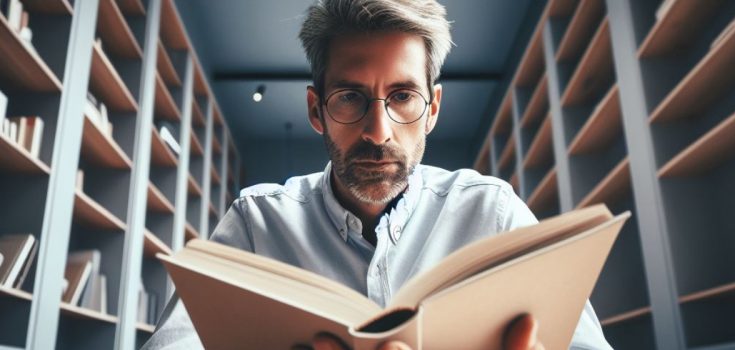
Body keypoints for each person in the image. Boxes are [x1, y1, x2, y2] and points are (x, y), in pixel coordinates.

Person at [143, 0, 613, 349]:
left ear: (432, 110)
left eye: (404, 96)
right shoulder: (256, 223)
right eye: (349, 97)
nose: (377, 130)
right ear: (315, 110)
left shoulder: (493, 211)